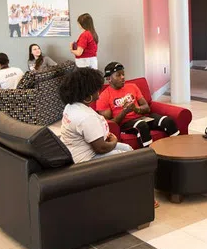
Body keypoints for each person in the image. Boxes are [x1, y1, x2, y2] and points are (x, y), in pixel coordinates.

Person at [59, 68, 160, 208]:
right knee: (130, 159)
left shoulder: (71, 107)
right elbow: (101, 148)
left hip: (79, 152)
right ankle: (142, 196)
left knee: (128, 148)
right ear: (87, 95)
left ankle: (141, 190)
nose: (99, 91)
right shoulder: (85, 117)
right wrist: (113, 142)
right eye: (96, 88)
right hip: (86, 160)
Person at [96, 62, 179, 147]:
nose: (123, 77)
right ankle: (151, 156)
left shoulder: (132, 86)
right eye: (118, 75)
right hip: (125, 124)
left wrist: (136, 109)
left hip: (143, 118)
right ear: (109, 78)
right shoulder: (103, 96)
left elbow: (147, 108)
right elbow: (110, 124)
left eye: (123, 74)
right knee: (141, 125)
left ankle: (178, 149)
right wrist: (125, 111)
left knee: (168, 121)